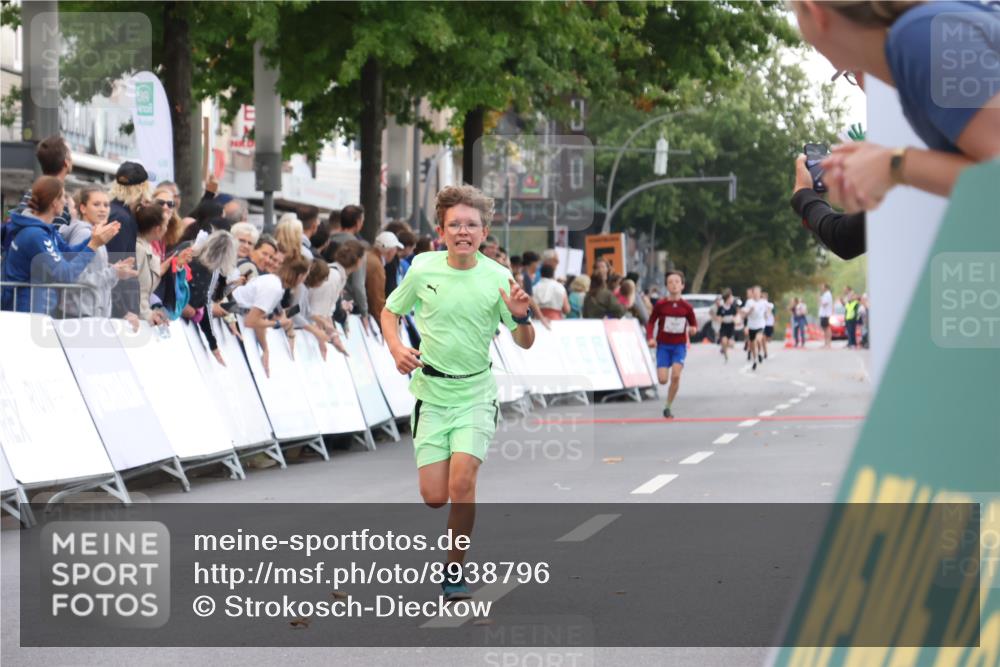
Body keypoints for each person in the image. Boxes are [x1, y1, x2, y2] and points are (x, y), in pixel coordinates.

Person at [380, 184, 534, 602]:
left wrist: (522, 317)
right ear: (441, 231)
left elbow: (525, 341)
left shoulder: (499, 277)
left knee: (462, 482)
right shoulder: (422, 269)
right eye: (455, 225)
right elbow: (390, 311)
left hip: (476, 395)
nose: (463, 232)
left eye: (471, 225)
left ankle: (454, 569)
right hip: (432, 394)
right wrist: (396, 347)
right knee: (434, 496)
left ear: (485, 232)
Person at [792, 0, 1000, 212]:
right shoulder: (921, 32)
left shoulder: (917, 36)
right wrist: (877, 166)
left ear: (815, 12)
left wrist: (894, 164)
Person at [1, 177, 119, 313]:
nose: (65, 201)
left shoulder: (45, 230)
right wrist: (92, 246)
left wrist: (94, 239)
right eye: (62, 197)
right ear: (54, 202)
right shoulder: (36, 235)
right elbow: (65, 274)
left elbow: (68, 253)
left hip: (36, 310)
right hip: (26, 312)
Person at [60, 186, 138, 319]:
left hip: (94, 313)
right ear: (83, 208)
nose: (103, 209)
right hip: (79, 314)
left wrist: (116, 272)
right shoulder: (84, 233)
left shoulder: (97, 233)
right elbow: (75, 277)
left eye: (106, 205)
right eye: (96, 204)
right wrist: (113, 272)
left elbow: (101, 280)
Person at [232, 256, 309, 377]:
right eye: (305, 277)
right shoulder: (274, 287)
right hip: (230, 314)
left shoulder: (276, 284)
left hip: (234, 314)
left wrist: (265, 350)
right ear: (299, 276)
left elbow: (259, 319)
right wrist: (278, 324)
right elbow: (250, 321)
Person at [646, 271, 697, 419]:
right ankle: (667, 399)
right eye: (670, 282)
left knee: (675, 376)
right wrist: (650, 338)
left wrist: (693, 329)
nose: (674, 284)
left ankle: (668, 406)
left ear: (682, 285)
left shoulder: (687, 307)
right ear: (667, 286)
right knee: (662, 380)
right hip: (663, 346)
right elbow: (651, 322)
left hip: (679, 346)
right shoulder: (661, 305)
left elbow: (693, 324)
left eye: (677, 282)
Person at [366, 230, 403, 325]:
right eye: (396, 250)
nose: (396, 254)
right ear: (390, 251)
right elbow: (377, 298)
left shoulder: (370, 257)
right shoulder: (376, 265)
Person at [741, 285, 769, 370]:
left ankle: (759, 352)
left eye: (758, 292)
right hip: (751, 325)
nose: (757, 294)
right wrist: (750, 310)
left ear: (760, 293)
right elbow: (745, 314)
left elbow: (769, 308)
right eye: (755, 292)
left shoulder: (763, 302)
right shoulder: (749, 302)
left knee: (758, 339)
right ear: (753, 293)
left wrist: (767, 314)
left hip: (760, 324)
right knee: (752, 344)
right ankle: (755, 360)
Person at [715, 288, 739, 362]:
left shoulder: (733, 308)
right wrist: (723, 319)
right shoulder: (721, 308)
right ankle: (725, 354)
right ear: (727, 299)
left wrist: (735, 320)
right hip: (724, 327)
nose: (732, 299)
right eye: (731, 297)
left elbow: (736, 318)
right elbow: (718, 318)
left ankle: (724, 348)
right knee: (724, 341)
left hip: (731, 328)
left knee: (731, 344)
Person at [818, 283, 834, 348]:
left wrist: (819, 299)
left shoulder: (828, 294)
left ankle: (829, 343)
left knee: (827, 328)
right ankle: (825, 343)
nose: (821, 288)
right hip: (823, 314)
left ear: (826, 288)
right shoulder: (825, 294)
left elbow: (824, 304)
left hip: (826, 314)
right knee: (824, 328)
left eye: (822, 287)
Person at [761, 290, 775, 359]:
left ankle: (765, 351)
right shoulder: (759, 304)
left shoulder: (770, 304)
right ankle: (765, 352)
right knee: (763, 339)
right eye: (762, 297)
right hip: (761, 324)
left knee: (767, 339)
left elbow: (769, 311)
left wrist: (766, 313)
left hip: (769, 324)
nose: (763, 298)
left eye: (764, 297)